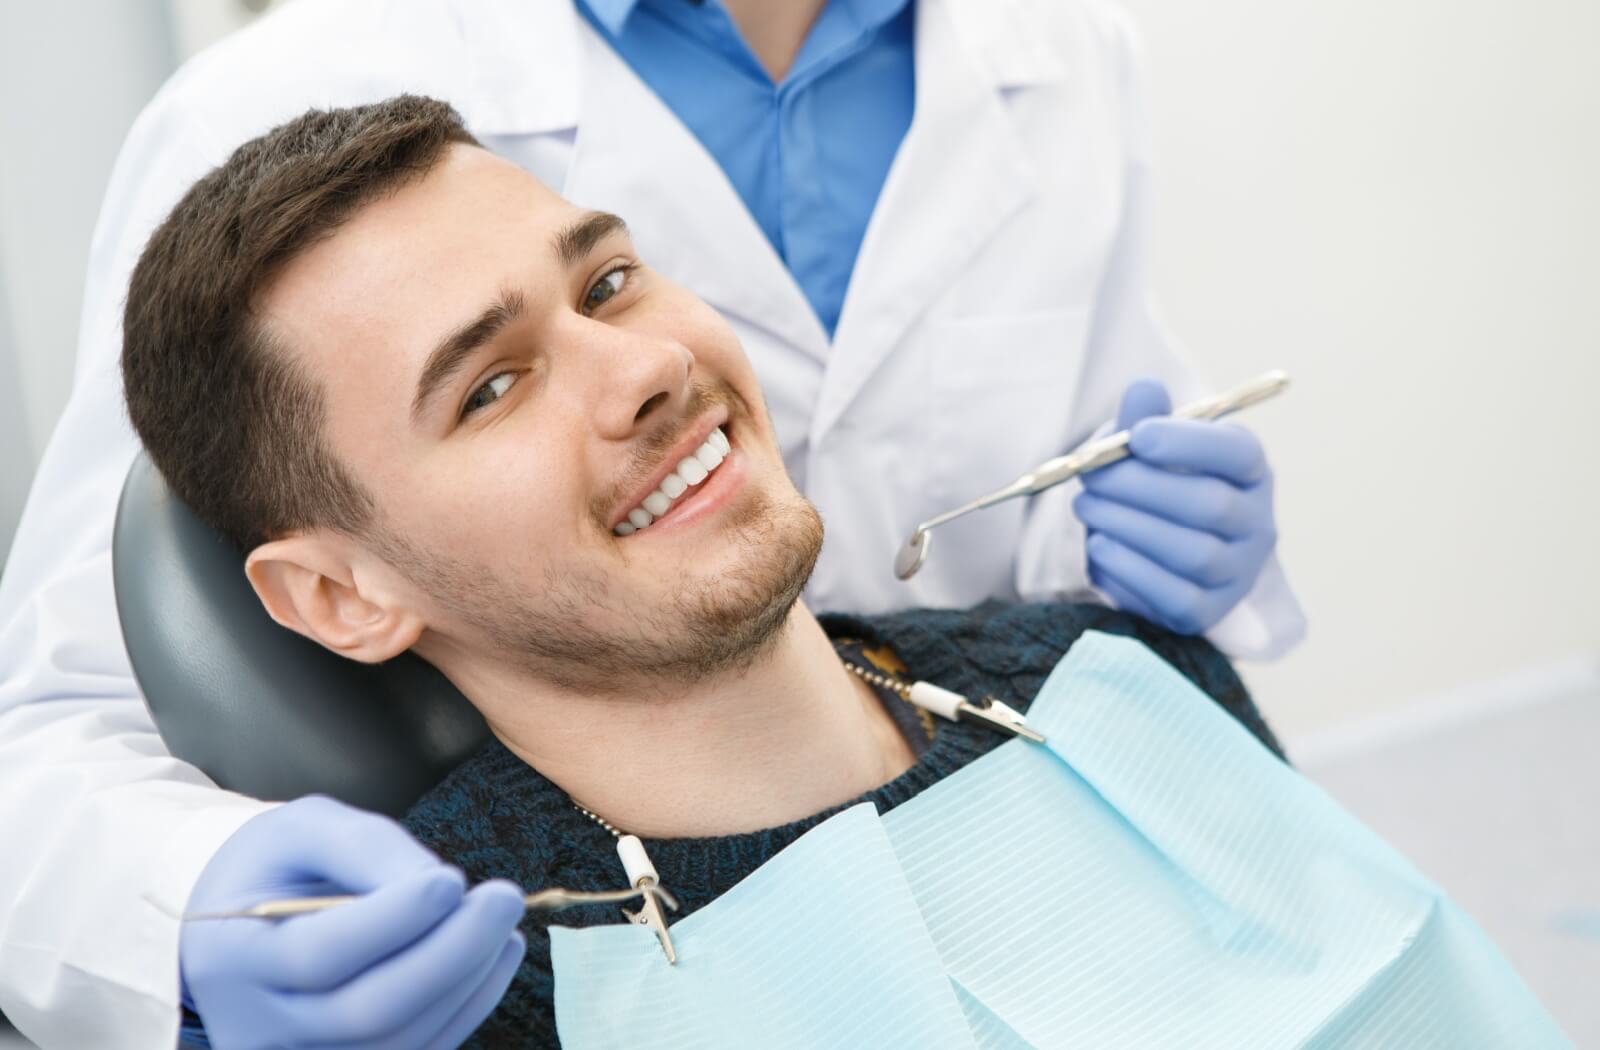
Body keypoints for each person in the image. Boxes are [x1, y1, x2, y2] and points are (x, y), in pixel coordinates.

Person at [0, 0, 1304, 1044]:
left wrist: (1145, 569)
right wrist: (193, 906)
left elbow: (1079, 451)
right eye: (490, 384)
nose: (646, 371)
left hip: (996, 822)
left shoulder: (1060, 49)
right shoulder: (284, 91)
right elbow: (64, 709)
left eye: (613, 283)